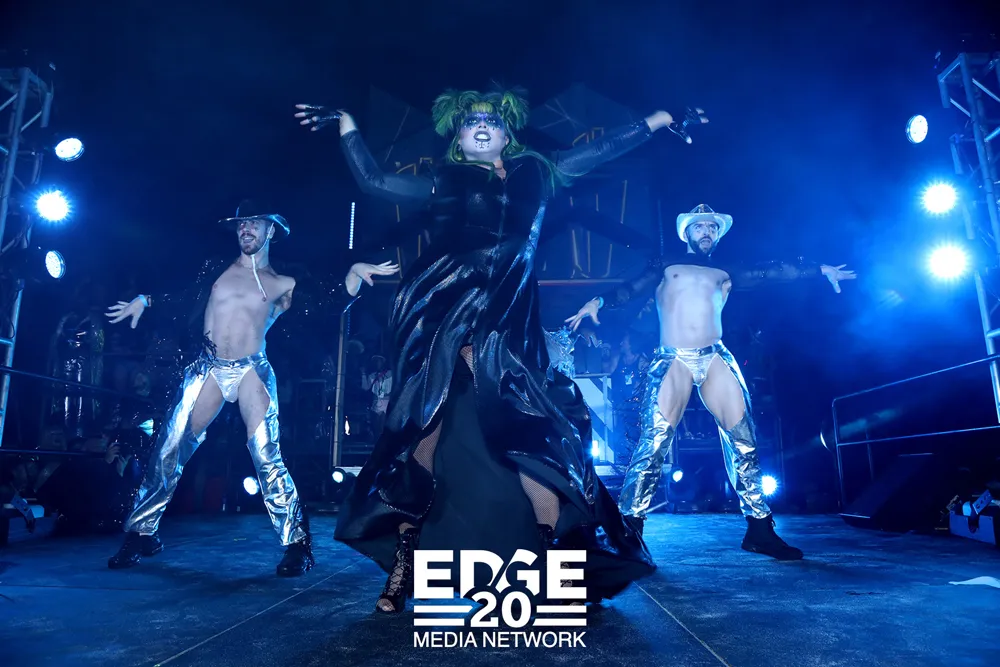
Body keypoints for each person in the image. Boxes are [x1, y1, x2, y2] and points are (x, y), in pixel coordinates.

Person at [295, 88, 707, 612]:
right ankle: (404, 564)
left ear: (508, 132)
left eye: (491, 119)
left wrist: (661, 116)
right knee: (426, 426)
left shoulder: (540, 172)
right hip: (442, 311)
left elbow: (601, 148)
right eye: (471, 121)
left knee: (533, 435)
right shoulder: (443, 179)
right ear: (459, 137)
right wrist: (348, 125)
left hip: (508, 320)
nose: (481, 125)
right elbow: (375, 181)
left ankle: (552, 555)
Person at [103, 200, 398, 575]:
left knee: (265, 453)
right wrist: (146, 301)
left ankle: (297, 544)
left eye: (255, 223)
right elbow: (184, 297)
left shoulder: (282, 283)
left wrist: (353, 277)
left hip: (250, 371)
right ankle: (141, 533)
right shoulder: (216, 271)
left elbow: (327, 304)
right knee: (169, 448)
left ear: (271, 231)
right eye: (242, 223)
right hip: (208, 368)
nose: (246, 229)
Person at [566, 204, 856, 560]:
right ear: (687, 232)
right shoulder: (666, 264)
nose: (707, 231)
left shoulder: (726, 270)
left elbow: (771, 271)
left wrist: (820, 269)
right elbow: (630, 288)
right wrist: (599, 301)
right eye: (700, 226)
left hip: (715, 355)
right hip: (673, 357)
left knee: (744, 440)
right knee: (653, 443)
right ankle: (628, 532)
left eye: (712, 227)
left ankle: (760, 529)